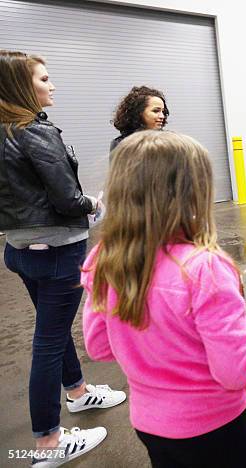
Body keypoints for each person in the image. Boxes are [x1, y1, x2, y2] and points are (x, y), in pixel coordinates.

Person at [81, 131, 246, 467]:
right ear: (193, 196)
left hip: (152, 426)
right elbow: (236, 371)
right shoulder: (205, 268)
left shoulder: (104, 260)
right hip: (217, 427)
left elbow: (100, 346)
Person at [0, 50, 125, 466]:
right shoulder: (36, 133)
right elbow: (68, 200)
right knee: (48, 343)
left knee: (50, 333)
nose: (52, 86)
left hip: (19, 249)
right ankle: (49, 444)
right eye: (43, 79)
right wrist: (95, 203)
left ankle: (77, 393)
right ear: (22, 87)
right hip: (57, 251)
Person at [109, 86, 169, 153]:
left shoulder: (168, 141)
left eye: (163, 111)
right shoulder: (121, 145)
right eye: (155, 111)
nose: (162, 116)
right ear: (138, 113)